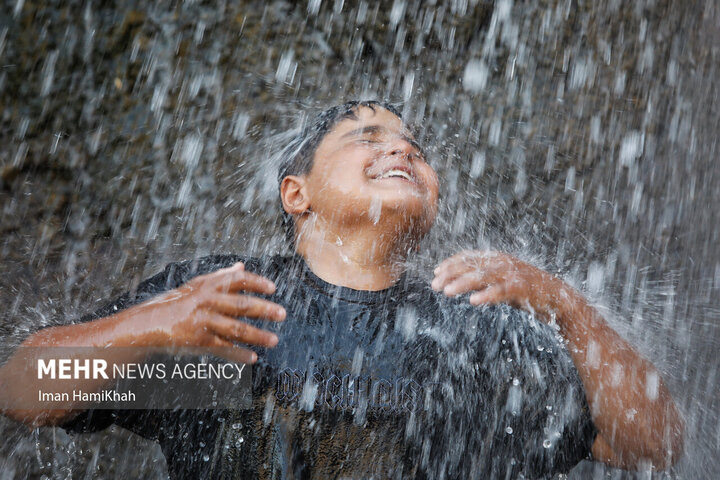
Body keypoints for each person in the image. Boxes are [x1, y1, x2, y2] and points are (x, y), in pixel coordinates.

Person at [1, 100, 684, 479]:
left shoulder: (475, 334)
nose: (401, 151)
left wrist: (560, 302)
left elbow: (653, 444)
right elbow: (23, 393)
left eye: (414, 147)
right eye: (366, 136)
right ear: (295, 193)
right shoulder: (227, 311)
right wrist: (154, 326)